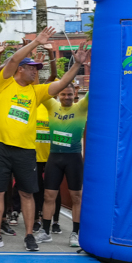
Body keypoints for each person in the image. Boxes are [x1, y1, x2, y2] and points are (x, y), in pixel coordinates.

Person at [0, 29, 89, 252]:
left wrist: (77, 65)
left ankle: (30, 235)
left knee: (27, 193)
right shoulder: (5, 83)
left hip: (25, 151)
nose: (36, 72)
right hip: (1, 147)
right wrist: (36, 43)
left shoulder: (37, 91)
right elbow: (12, 59)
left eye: (37, 70)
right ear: (21, 69)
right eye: (32, 68)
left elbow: (61, 84)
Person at [38, 86, 89, 247]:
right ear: (58, 95)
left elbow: (93, 88)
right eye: (63, 94)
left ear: (75, 95)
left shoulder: (81, 107)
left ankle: (75, 233)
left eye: (69, 94)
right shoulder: (52, 105)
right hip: (54, 157)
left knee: (76, 197)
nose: (66, 97)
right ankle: (45, 231)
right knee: (48, 196)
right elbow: (40, 89)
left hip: (73, 158)